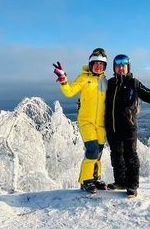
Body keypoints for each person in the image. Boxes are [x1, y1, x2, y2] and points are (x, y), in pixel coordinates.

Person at [105, 54, 150, 198]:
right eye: (118, 66)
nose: (121, 68)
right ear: (114, 68)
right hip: (112, 126)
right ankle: (120, 182)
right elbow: (98, 99)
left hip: (129, 125)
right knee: (116, 155)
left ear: (128, 67)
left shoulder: (134, 83)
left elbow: (149, 97)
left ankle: (132, 185)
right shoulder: (109, 83)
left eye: (123, 66)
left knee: (130, 155)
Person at [53, 48, 108, 194]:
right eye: (95, 64)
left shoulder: (104, 81)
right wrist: (63, 79)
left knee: (99, 152)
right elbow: (70, 91)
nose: (98, 67)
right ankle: (85, 181)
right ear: (90, 64)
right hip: (86, 121)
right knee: (92, 150)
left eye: (101, 65)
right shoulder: (84, 78)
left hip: (101, 124)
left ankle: (96, 178)